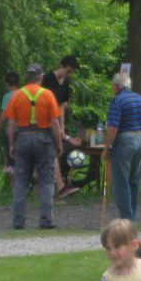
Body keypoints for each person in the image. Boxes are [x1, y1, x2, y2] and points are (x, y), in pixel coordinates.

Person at [0, 63, 64, 230]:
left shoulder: (17, 95)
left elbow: (11, 124)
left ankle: (18, 221)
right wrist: (59, 143)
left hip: (23, 139)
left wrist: (12, 144)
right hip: (43, 140)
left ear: (27, 77)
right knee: (46, 181)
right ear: (41, 77)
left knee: (21, 182)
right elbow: (55, 123)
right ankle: (45, 220)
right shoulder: (47, 95)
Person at [103, 72, 141, 221]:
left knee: (121, 181)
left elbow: (112, 128)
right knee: (134, 180)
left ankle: (126, 218)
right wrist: (139, 135)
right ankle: (132, 217)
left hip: (125, 141)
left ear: (116, 86)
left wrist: (106, 148)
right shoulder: (139, 99)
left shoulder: (117, 101)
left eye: (112, 85)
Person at [43, 55, 83, 198]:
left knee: (56, 152)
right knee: (52, 152)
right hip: (45, 120)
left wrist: (62, 126)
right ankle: (59, 187)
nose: (69, 74)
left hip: (56, 121)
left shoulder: (66, 83)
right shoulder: (48, 79)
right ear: (62, 66)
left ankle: (59, 186)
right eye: (68, 71)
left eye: (71, 72)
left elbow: (62, 106)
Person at [0, 72, 20, 175]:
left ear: (7, 83)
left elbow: (3, 117)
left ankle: (15, 185)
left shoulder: (7, 97)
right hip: (25, 132)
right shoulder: (24, 94)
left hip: (11, 133)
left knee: (12, 166)